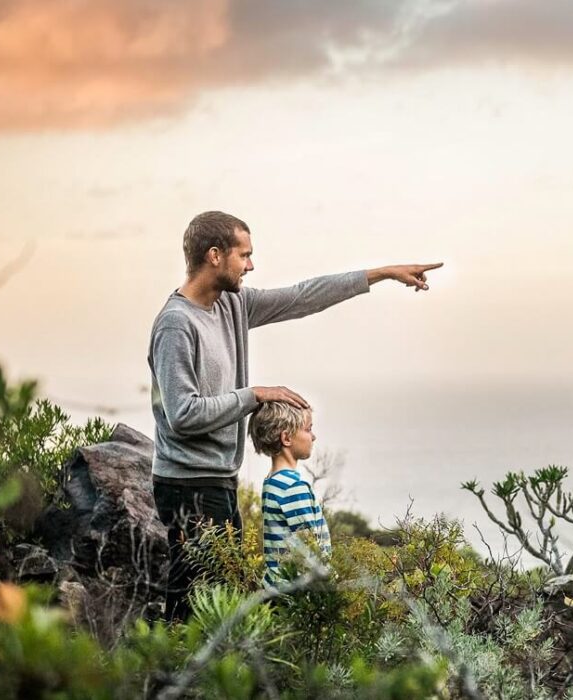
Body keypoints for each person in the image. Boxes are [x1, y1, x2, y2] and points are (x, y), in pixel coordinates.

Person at [149, 209, 441, 621]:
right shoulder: (176, 325)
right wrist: (254, 394)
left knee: (217, 603)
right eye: (244, 255)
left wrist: (382, 274)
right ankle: (164, 662)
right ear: (215, 255)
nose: (251, 265)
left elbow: (303, 296)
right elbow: (183, 414)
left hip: (218, 479)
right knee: (190, 607)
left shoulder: (233, 304)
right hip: (186, 483)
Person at [248, 402, 330, 586]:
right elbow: (309, 549)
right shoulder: (293, 487)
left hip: (277, 586)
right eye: (308, 429)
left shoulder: (272, 481)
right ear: (286, 438)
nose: (313, 436)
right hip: (295, 591)